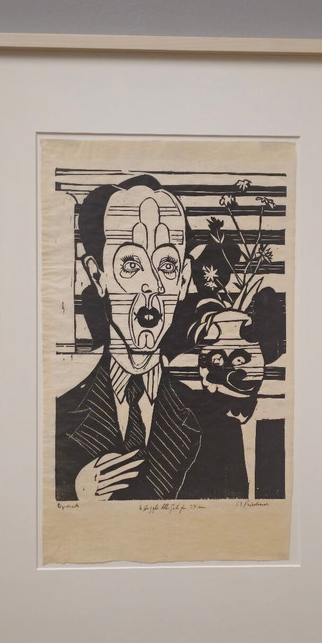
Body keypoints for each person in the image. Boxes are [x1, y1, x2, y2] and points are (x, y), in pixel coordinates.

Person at [55, 175, 249, 501]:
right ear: (98, 276)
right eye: (131, 264)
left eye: (167, 265)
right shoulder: (56, 419)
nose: (154, 285)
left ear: (183, 280)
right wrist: (76, 496)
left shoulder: (220, 429)